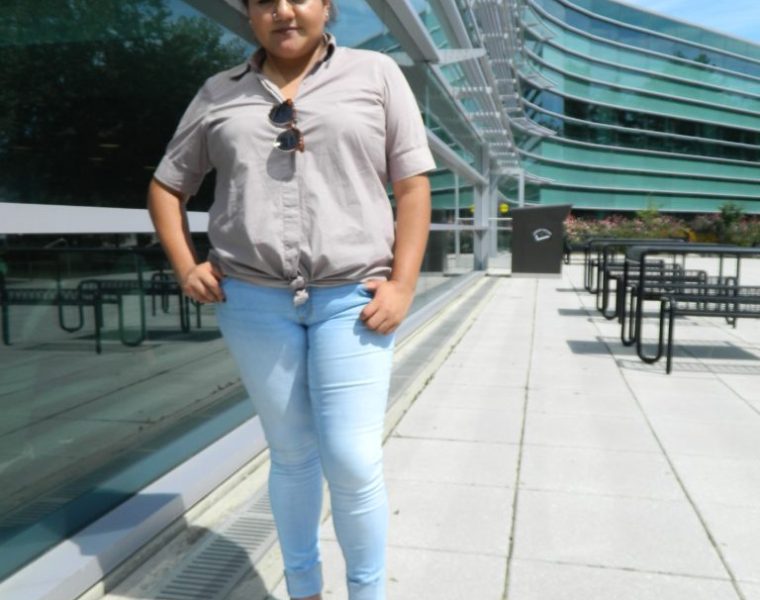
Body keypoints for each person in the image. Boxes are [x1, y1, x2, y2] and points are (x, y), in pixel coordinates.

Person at [147, 0, 434, 598]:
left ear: (326, 6)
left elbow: (411, 187)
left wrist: (404, 284)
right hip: (253, 300)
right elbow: (167, 186)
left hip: (352, 298)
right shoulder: (219, 92)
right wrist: (186, 265)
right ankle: (305, 589)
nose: (282, 11)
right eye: (264, 1)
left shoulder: (376, 74)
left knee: (352, 458)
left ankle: (367, 592)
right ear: (250, 14)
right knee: (292, 454)